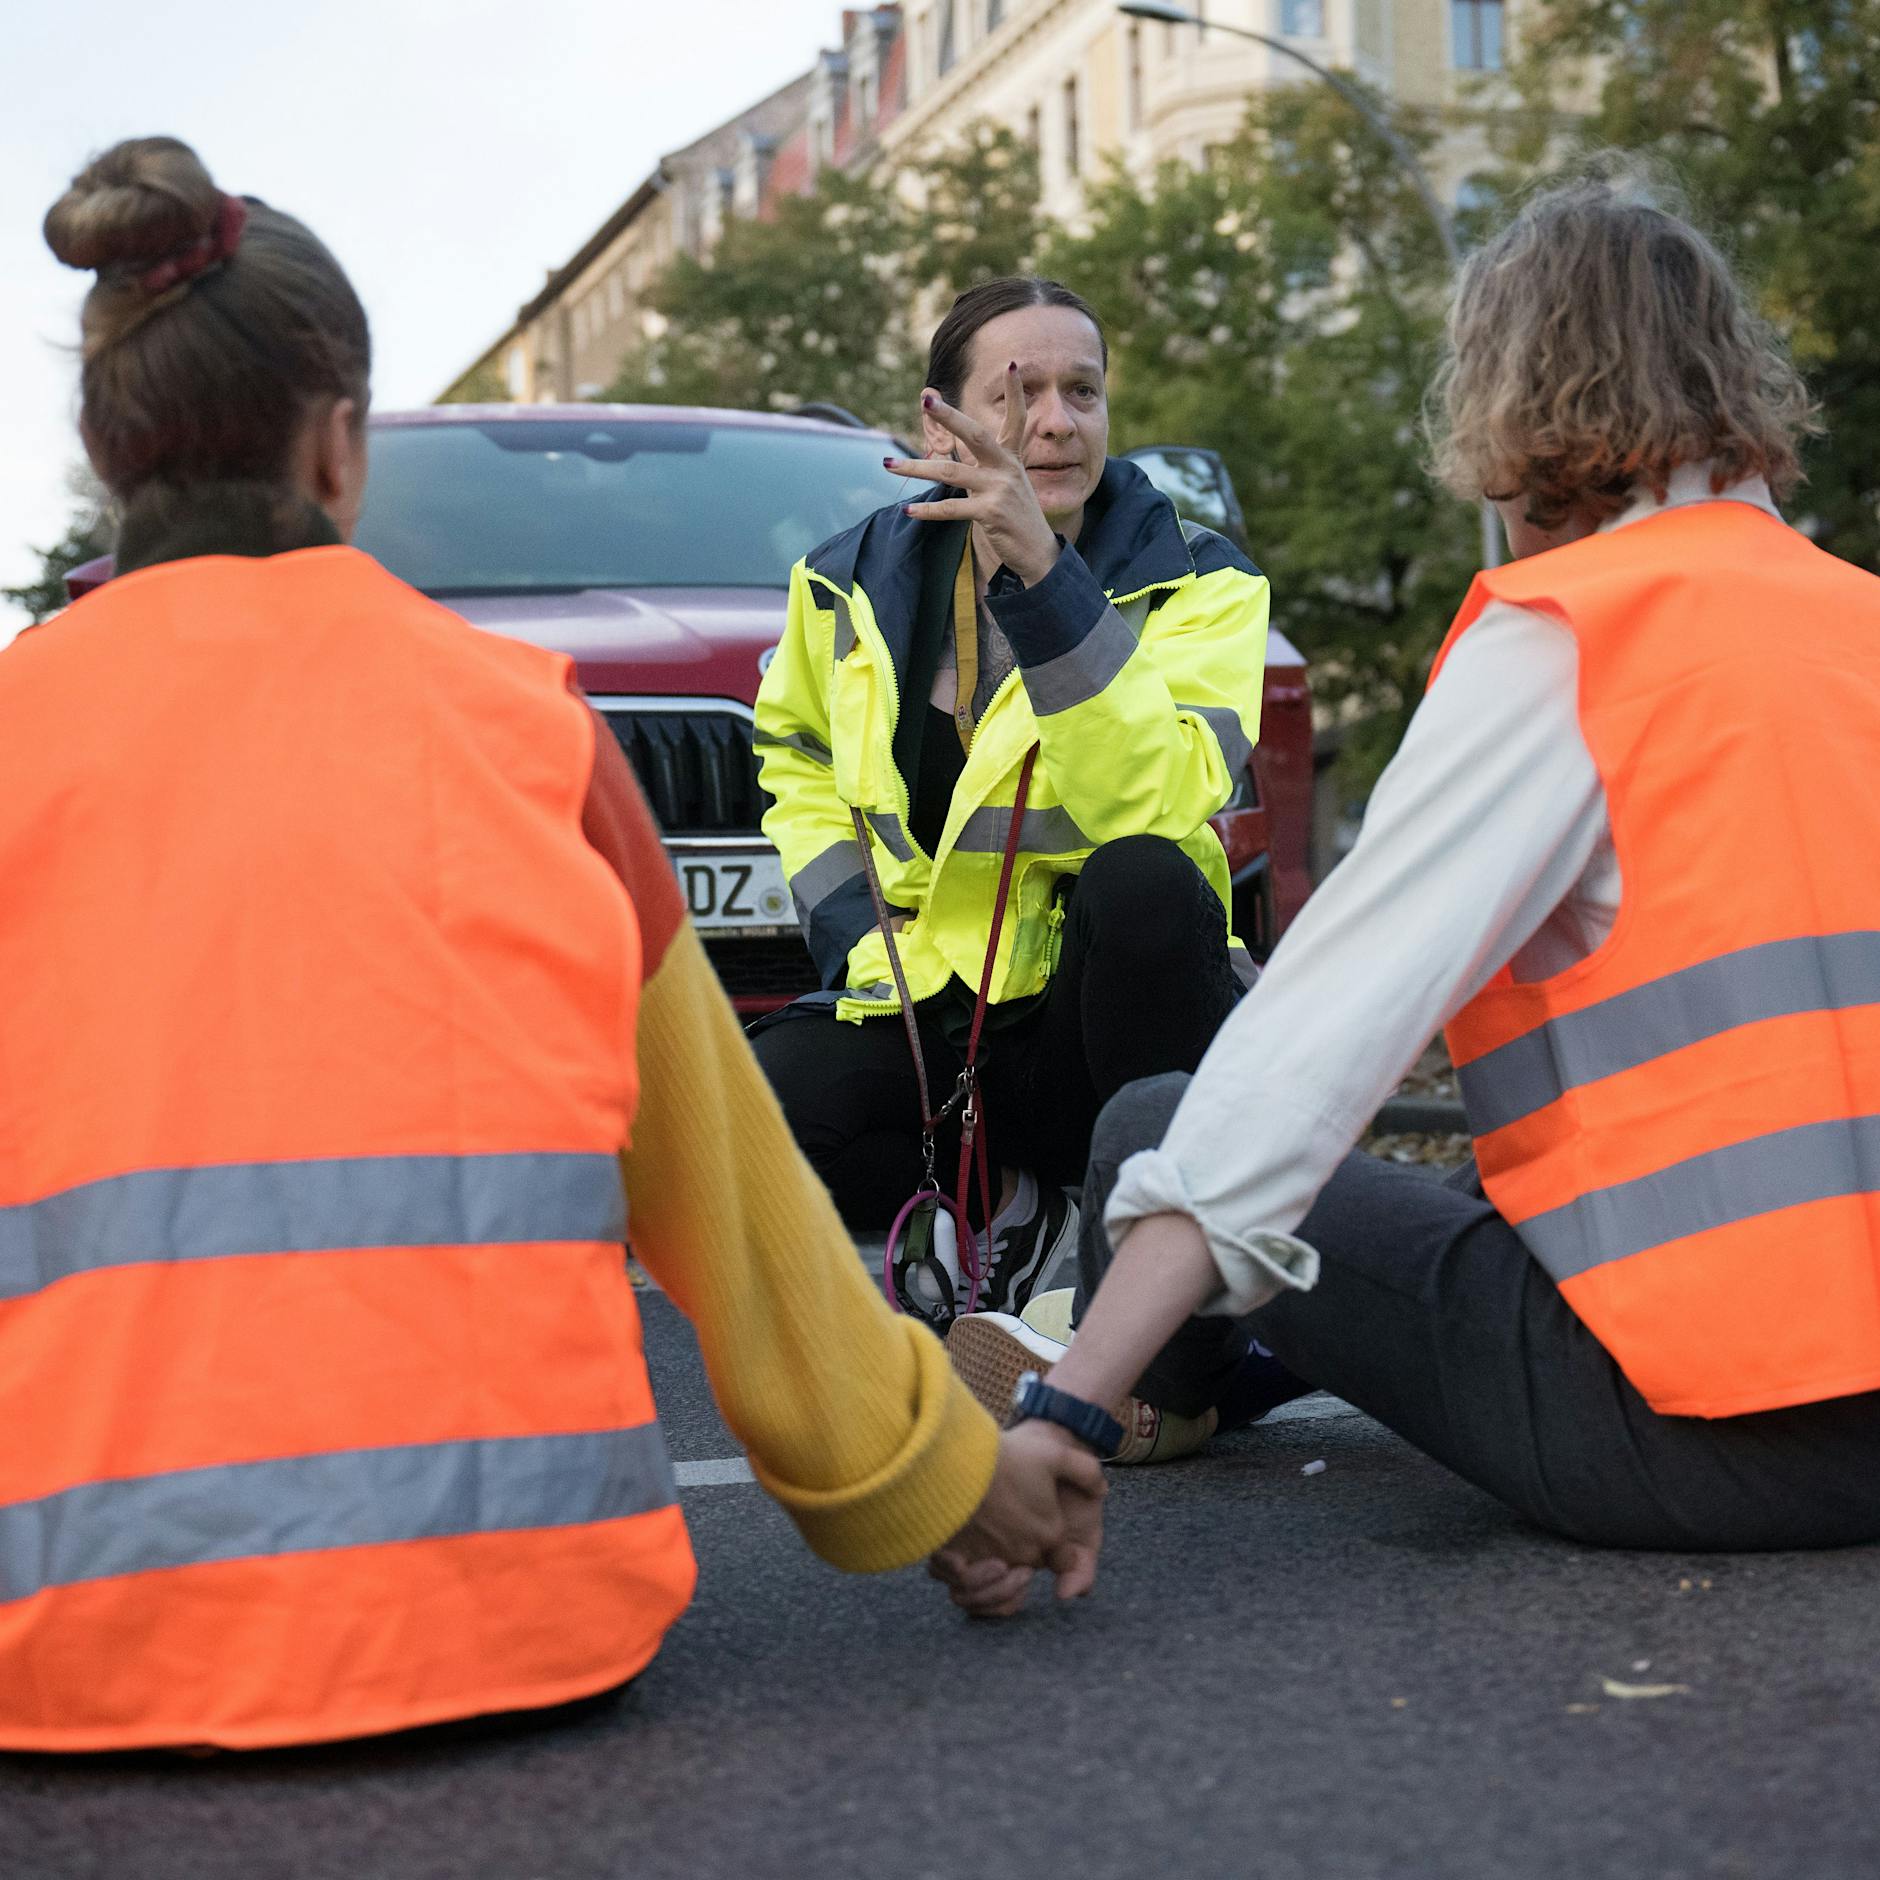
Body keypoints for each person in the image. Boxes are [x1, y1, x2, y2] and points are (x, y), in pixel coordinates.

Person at [0, 136, 1100, 1751]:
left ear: (109, 460)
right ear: (338, 445)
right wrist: (952, 1484)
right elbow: (739, 1219)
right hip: (517, 1634)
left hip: (60, 1654)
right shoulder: (518, 735)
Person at [933, 171, 1880, 1611]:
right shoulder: (1858, 621)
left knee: (1156, 1120)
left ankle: (1150, 1395)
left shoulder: (1571, 639)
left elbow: (1302, 1063)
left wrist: (1056, 1418)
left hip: (1712, 1434)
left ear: (1508, 398)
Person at [752, 276, 1277, 1342]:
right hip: (942, 1003)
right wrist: (861, 940)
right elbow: (797, 761)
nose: (1053, 421)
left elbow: (1155, 797)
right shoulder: (839, 583)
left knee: (1143, 880)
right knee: (763, 1115)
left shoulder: (1202, 580)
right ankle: (1019, 1217)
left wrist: (1045, 580)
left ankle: (1142, 1287)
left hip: (1110, 1021)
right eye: (1015, 392)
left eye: (1080, 391)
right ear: (936, 422)